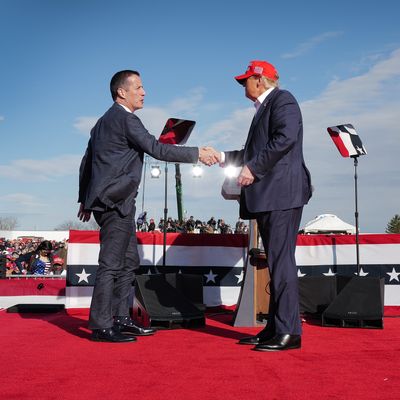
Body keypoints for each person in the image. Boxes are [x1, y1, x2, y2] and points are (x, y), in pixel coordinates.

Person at [78, 69, 218, 343]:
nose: (144, 92)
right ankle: (101, 325)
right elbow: (157, 149)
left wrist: (84, 198)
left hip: (110, 200)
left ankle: (121, 318)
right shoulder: (126, 119)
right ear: (122, 92)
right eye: (139, 87)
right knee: (111, 264)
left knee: (129, 261)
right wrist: (197, 154)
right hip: (115, 201)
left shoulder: (102, 122)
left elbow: (86, 162)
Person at [218, 60, 312, 351]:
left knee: (281, 262)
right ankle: (274, 328)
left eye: (245, 79)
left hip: (282, 194)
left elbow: (285, 138)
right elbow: (251, 152)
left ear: (260, 80)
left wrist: (254, 168)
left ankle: (289, 332)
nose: (242, 85)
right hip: (271, 196)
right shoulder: (263, 110)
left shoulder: (283, 100)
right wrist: (220, 156)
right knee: (275, 262)